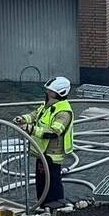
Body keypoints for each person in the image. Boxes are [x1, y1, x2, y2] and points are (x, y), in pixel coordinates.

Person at [16, 76, 74, 208]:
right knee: (41, 181)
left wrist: (31, 129)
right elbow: (36, 114)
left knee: (52, 181)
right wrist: (23, 119)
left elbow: (53, 133)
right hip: (42, 152)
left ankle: (55, 206)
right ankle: (42, 205)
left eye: (50, 91)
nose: (47, 92)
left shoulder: (63, 112)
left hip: (52, 154)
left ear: (60, 93)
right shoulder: (48, 105)